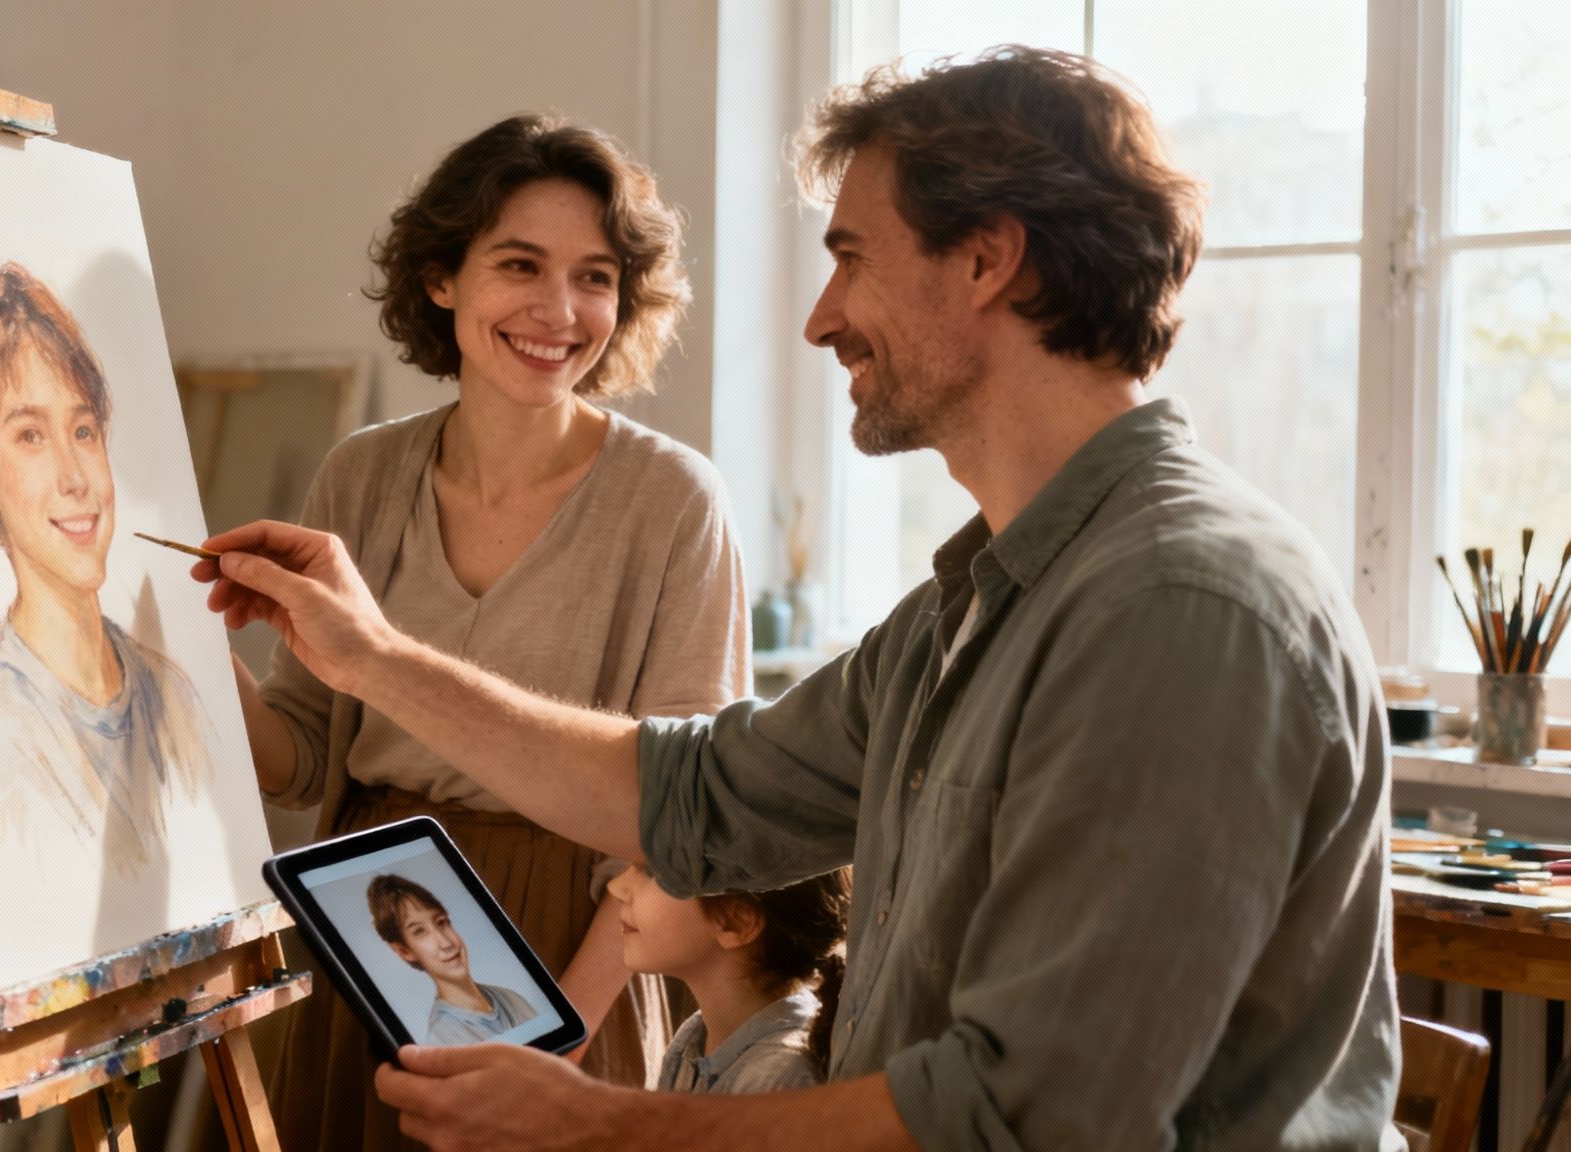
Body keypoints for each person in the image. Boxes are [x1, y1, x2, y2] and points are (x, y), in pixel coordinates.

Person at [195, 46, 1403, 1151]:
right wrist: (371, 658)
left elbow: (1025, 1114)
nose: (822, 319)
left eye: (851, 258)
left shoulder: (1178, 611)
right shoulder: (963, 610)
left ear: (985, 259)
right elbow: (695, 796)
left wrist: (601, 1123)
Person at [239, 114, 751, 1147]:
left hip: (578, 948)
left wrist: (561, 1034)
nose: (558, 311)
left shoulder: (674, 501)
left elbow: (684, 826)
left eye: (594, 277)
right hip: (369, 926)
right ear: (441, 278)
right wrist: (178, 646)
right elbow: (300, 760)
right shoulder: (361, 474)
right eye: (520, 265)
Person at [0, 253, 212, 874]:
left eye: (83, 431)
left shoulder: (172, 694)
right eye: (30, 436)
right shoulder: (1, 728)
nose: (75, 477)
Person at [610, 864, 850, 1095]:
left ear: (736, 921)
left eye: (651, 871)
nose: (615, 886)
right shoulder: (694, 1036)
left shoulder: (779, 1079)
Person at [365, 874, 541, 1045]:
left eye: (441, 922)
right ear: (404, 951)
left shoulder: (511, 999)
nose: (446, 943)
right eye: (419, 931)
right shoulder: (443, 1039)